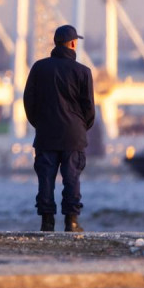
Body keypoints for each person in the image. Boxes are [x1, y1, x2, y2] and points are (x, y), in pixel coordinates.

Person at [22, 24, 95, 232]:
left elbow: (29, 100)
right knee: (72, 178)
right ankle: (71, 222)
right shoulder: (83, 71)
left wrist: (39, 123)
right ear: (73, 43)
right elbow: (89, 107)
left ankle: (47, 221)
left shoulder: (39, 68)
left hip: (46, 134)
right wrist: (82, 127)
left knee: (46, 179)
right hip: (74, 135)